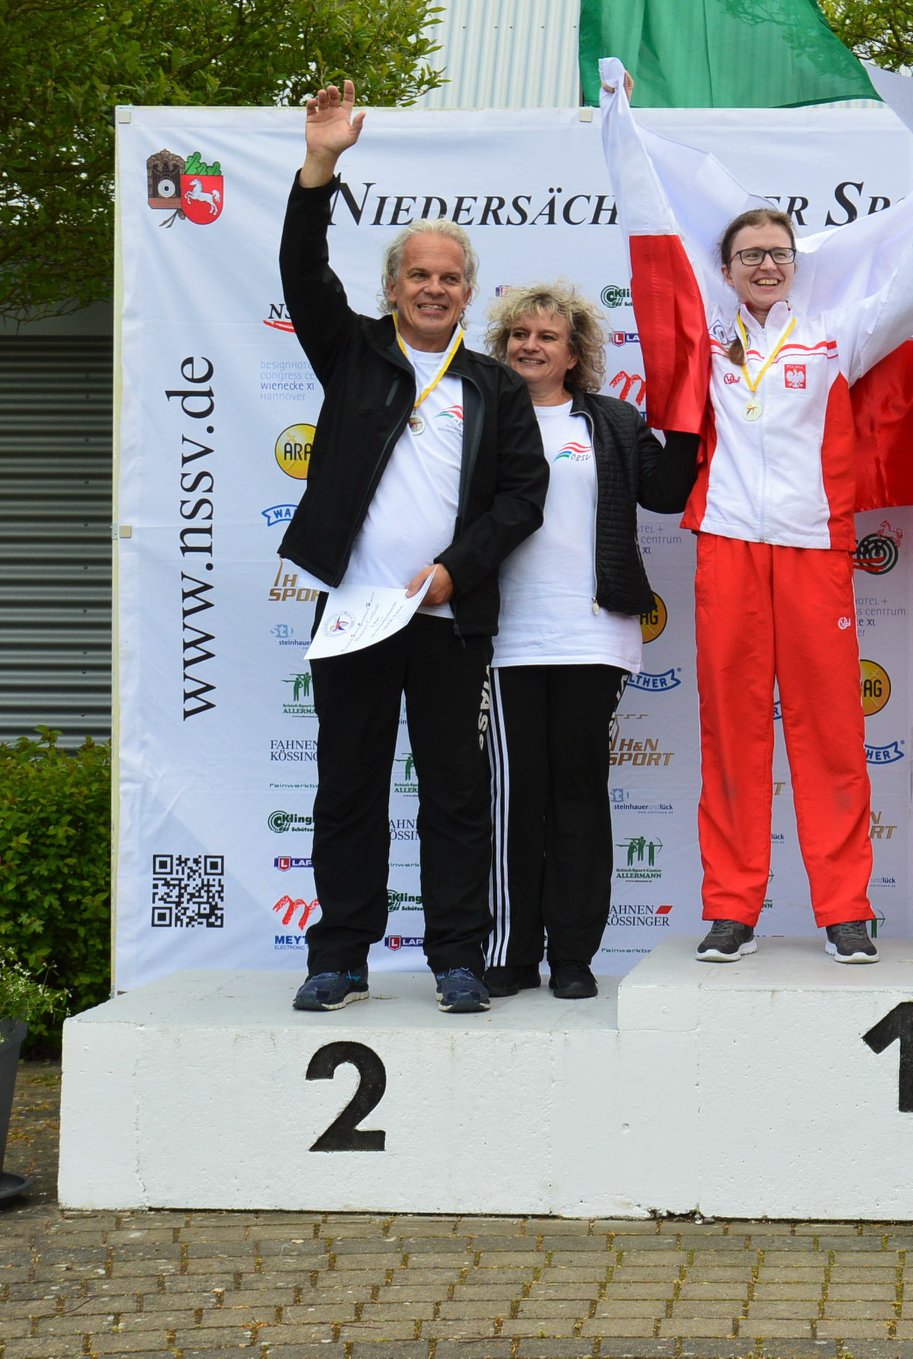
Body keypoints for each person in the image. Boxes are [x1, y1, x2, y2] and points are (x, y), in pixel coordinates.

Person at [600, 70, 913, 966]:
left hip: (811, 550)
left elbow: (912, 291)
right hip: (724, 547)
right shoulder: (705, 342)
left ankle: (844, 906)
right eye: (750, 253)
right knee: (733, 733)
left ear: (796, 264)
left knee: (833, 731)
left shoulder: (835, 336)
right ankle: (733, 906)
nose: (766, 262)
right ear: (725, 271)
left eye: (778, 251)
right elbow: (645, 204)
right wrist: (618, 116)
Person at [280, 81, 546, 1015]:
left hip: (447, 617)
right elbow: (302, 273)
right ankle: (340, 956)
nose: (434, 288)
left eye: (450, 277)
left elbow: (523, 498)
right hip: (352, 610)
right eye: (418, 275)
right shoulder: (351, 351)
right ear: (392, 285)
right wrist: (320, 168)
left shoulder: (495, 388)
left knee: (456, 796)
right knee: (347, 789)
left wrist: (452, 572)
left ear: (469, 292)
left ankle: (456, 958)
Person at [480, 283, 698, 1000]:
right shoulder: (478, 415)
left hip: (594, 634)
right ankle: (510, 953)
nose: (530, 346)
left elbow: (666, 494)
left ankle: (574, 956)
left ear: (575, 354)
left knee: (578, 795)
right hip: (506, 636)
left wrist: (688, 415)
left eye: (546, 336)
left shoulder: (609, 419)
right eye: (518, 334)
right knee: (516, 797)